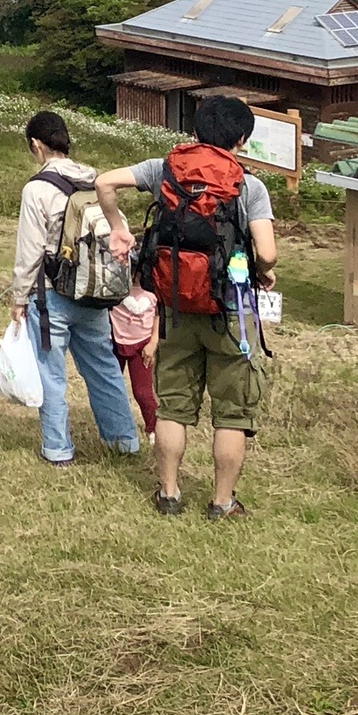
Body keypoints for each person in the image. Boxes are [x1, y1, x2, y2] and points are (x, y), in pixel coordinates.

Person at [96, 94, 277, 520]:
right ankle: (222, 502)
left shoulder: (165, 169)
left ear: (194, 133)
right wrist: (259, 269)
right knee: (232, 413)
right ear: (243, 139)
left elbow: (104, 181)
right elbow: (267, 254)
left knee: (174, 406)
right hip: (231, 313)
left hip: (175, 307)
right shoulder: (249, 185)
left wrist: (120, 229)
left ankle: (170, 494)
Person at [12, 111, 141, 469]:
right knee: (103, 368)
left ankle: (57, 448)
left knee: (51, 374)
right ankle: (124, 441)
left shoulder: (37, 189)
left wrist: (19, 298)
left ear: (36, 145)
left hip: (53, 293)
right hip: (96, 291)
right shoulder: (94, 180)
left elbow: (30, 251)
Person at [112, 285, 163, 445]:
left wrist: (153, 342)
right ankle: (114, 429)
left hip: (143, 346)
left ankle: (153, 428)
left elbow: (158, 315)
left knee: (142, 392)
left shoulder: (153, 290)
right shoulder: (115, 286)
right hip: (114, 343)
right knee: (111, 389)